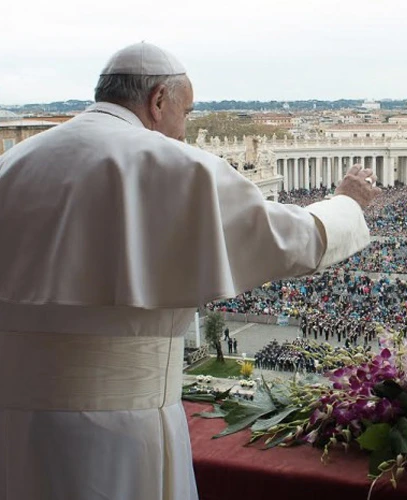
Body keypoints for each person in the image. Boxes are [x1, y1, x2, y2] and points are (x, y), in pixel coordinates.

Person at [0, 42, 379, 500]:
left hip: (13, 428)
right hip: (122, 426)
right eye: (187, 112)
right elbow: (289, 238)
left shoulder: (12, 163)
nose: (184, 130)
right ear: (159, 100)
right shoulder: (171, 164)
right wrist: (346, 203)